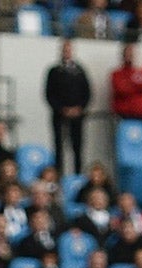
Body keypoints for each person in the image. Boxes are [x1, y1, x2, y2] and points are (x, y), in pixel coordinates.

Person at [45, 39, 92, 178]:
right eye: (64, 50)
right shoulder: (54, 71)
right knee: (59, 147)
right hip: (59, 115)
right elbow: (49, 94)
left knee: (77, 147)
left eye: (69, 50)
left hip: (77, 115)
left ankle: (77, 175)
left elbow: (87, 92)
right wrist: (62, 109)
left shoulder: (80, 71)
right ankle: (59, 176)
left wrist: (79, 108)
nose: (67, 52)